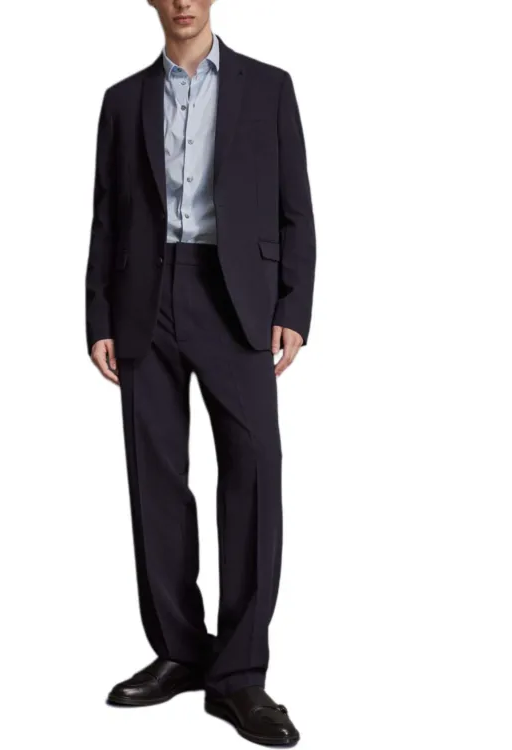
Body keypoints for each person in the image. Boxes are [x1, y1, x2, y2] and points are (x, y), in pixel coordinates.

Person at [84, 0, 316, 744]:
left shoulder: (268, 87)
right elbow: (107, 214)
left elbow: (296, 208)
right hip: (143, 300)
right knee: (155, 479)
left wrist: (294, 306)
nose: (183, 2)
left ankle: (240, 674)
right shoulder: (123, 100)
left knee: (253, 472)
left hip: (236, 296)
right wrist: (98, 317)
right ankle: (181, 650)